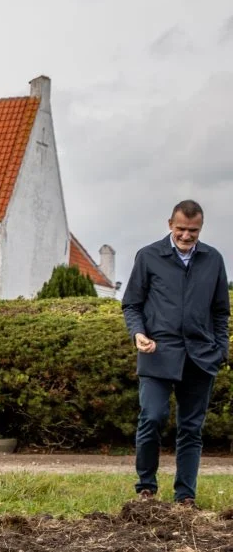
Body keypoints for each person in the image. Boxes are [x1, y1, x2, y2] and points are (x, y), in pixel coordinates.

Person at [122, 199, 229, 508]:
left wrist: (220, 350)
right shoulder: (148, 256)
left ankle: (185, 496)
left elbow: (221, 312)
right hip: (157, 355)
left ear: (201, 228)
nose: (186, 236)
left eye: (192, 231)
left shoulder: (214, 260)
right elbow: (131, 304)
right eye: (181, 229)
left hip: (200, 358)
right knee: (152, 418)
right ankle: (146, 487)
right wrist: (138, 333)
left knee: (191, 429)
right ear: (170, 224)